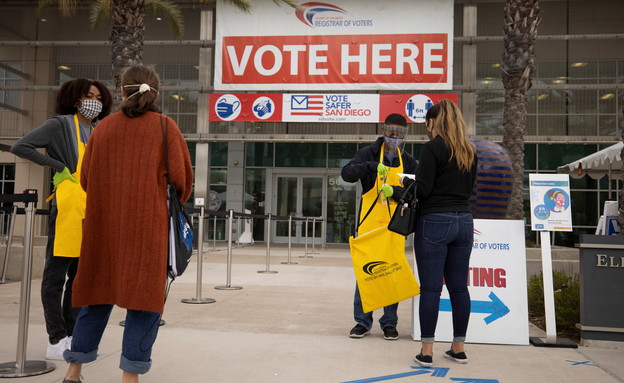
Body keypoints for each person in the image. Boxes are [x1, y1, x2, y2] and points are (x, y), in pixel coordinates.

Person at [61, 65, 193, 383]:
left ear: (121, 91)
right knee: (145, 302)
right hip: (148, 230)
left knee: (95, 296)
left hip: (102, 230)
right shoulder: (165, 127)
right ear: (156, 92)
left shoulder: (102, 129)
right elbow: (183, 182)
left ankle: (73, 371)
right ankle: (129, 377)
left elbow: (87, 180)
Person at [10, 78, 113, 360]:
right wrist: (57, 165)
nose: (94, 102)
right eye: (88, 96)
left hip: (91, 210)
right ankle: (56, 338)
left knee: (79, 279)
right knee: (55, 277)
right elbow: (21, 146)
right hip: (67, 207)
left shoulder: (97, 130)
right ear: (75, 98)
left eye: (99, 97)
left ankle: (72, 334)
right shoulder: (60, 124)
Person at [402, 99, 477, 367]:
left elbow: (422, 189)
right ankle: (458, 348)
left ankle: (427, 351)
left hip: (435, 221)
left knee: (432, 289)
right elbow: (469, 189)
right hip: (465, 222)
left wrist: (402, 186)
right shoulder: (470, 150)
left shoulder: (432, 148)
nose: (426, 127)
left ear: (433, 122)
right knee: (459, 288)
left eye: (426, 122)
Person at [341, 113, 418, 340]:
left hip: (394, 226)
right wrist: (371, 166)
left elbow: (416, 192)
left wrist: (394, 191)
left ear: (405, 135)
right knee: (365, 273)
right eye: (391, 131)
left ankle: (389, 323)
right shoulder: (368, 153)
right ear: (384, 130)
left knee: (391, 272)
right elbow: (346, 174)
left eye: (400, 133)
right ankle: (362, 322)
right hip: (369, 224)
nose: (395, 137)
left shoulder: (409, 161)